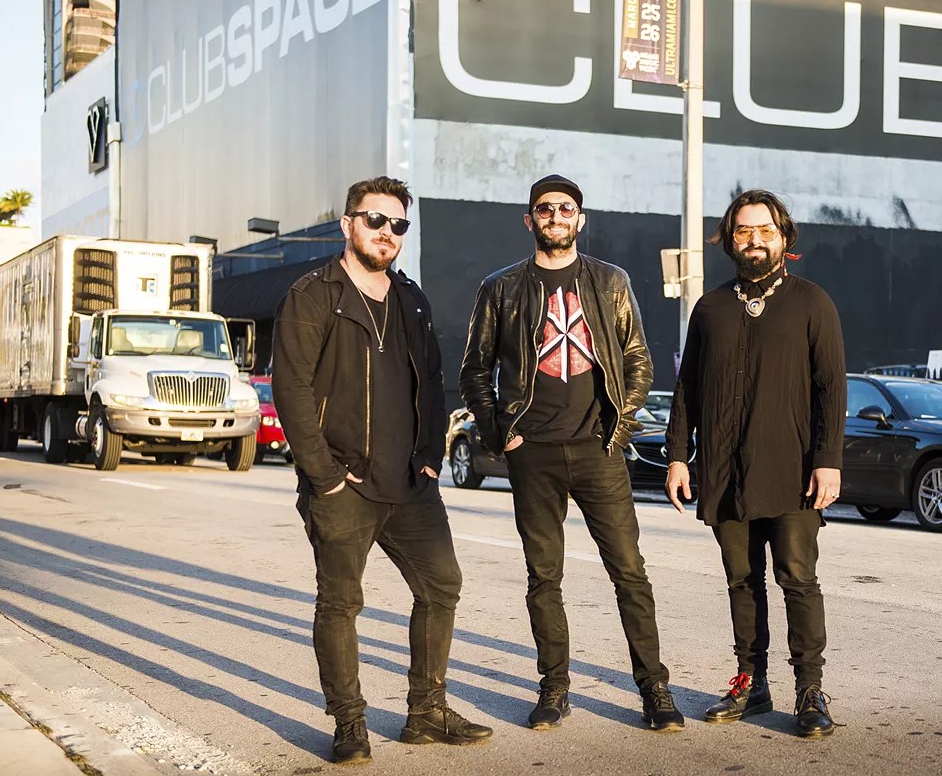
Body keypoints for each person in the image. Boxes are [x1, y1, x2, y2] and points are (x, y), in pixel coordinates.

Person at [273, 176, 492, 764]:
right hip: (344, 482)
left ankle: (425, 712)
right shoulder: (313, 294)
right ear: (348, 224)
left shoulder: (411, 298)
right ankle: (349, 723)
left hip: (411, 485)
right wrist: (324, 476)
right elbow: (290, 390)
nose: (387, 233)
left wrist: (430, 458)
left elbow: (432, 379)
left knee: (441, 585)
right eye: (375, 221)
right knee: (341, 603)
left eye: (398, 225)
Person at [459, 174, 684, 732]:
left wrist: (621, 425)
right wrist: (499, 434)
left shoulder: (610, 281)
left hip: (598, 448)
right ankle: (554, 688)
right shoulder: (502, 287)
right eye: (545, 209)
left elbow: (637, 357)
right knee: (544, 577)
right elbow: (474, 369)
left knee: (629, 572)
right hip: (531, 451)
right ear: (529, 219)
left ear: (580, 219)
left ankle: (654, 689)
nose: (556, 216)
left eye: (566, 208)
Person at [665, 188, 846, 738]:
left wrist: (828, 461)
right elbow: (688, 387)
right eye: (743, 231)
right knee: (742, 581)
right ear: (730, 240)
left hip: (791, 472)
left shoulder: (812, 302)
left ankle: (810, 692)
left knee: (797, 579)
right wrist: (678, 456)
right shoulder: (711, 308)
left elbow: (830, 388)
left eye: (764, 230)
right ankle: (752, 683)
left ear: (783, 236)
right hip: (724, 471)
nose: (754, 240)